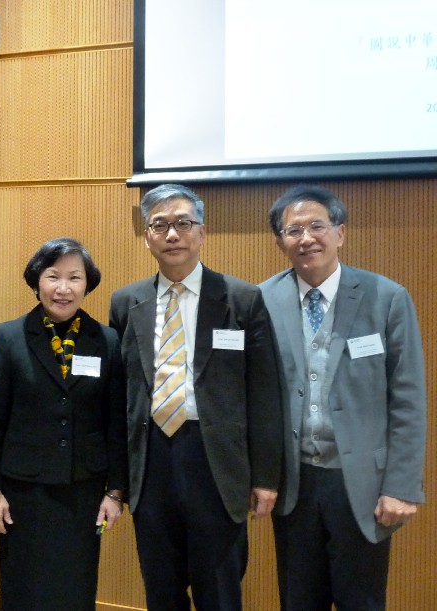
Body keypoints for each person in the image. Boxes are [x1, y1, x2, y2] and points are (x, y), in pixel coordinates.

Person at [109, 183, 282, 611]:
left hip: (215, 462)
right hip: (151, 462)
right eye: (160, 225)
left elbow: (264, 392)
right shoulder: (126, 301)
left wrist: (265, 476)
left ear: (202, 233)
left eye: (183, 223)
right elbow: (119, 395)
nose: (172, 234)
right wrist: (116, 482)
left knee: (219, 589)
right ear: (146, 236)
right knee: (161, 587)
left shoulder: (241, 299)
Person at [259, 184, 427, 610]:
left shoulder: (386, 297)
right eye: (293, 230)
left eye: (317, 225)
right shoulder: (261, 300)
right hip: (294, 483)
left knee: (362, 601)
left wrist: (402, 486)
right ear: (280, 241)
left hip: (363, 485)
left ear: (340, 233)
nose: (306, 238)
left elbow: (407, 399)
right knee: (299, 600)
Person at [0, 237, 128, 611]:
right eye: (53, 276)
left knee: (75, 588)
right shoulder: (10, 337)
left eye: (75, 278)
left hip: (84, 490)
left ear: (87, 284)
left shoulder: (106, 340)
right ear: (36, 281)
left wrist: (115, 492)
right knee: (22, 586)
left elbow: (116, 422)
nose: (63, 288)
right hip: (22, 492)